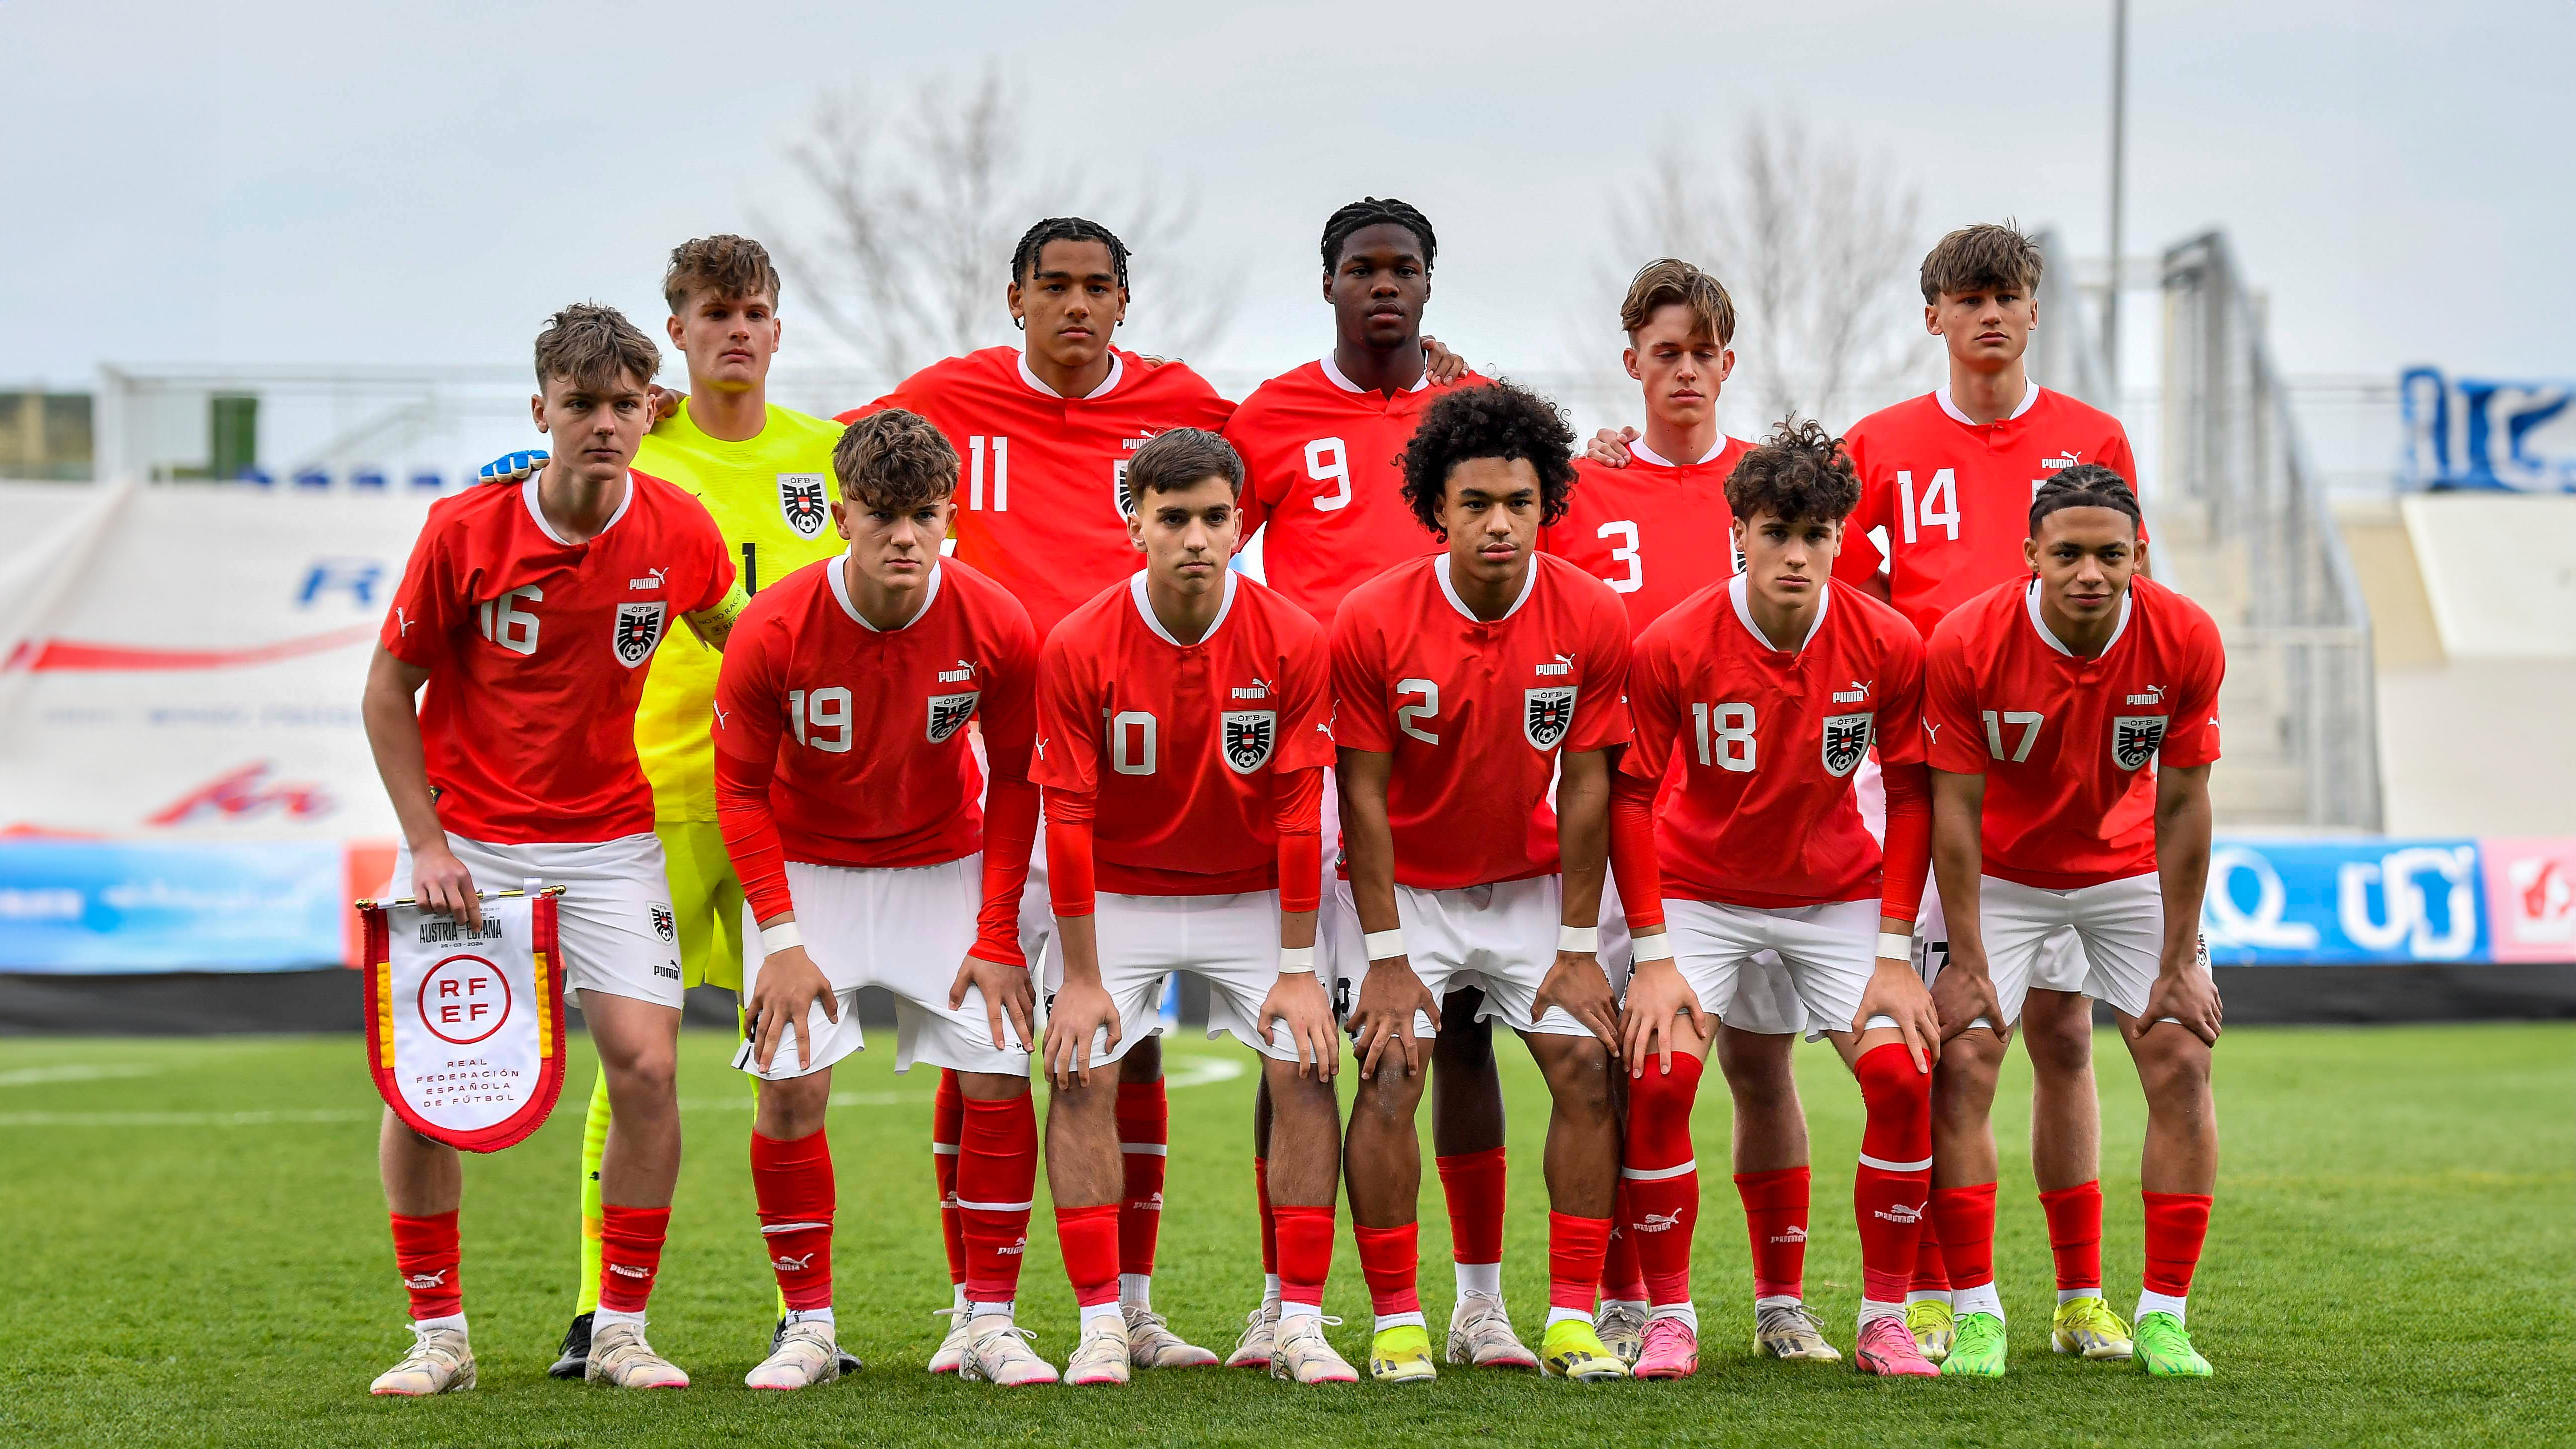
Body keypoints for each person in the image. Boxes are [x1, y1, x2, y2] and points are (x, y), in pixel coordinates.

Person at [858, 216, 1462, 1371]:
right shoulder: (947, 391)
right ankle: (976, 1307)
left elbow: (1301, 441)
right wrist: (690, 418)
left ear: (1126, 304)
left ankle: (1148, 1309)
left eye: (1099, 288)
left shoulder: (1192, 407)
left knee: (1194, 1058)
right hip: (1023, 749)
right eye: (1055, 287)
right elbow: (836, 469)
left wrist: (1453, 374)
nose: (1076, 306)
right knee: (1003, 1041)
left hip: (1200, 768)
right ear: (1015, 297)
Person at [468, 236, 851, 1380]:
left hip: (790, 801)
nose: (736, 330)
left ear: (779, 331)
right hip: (649, 800)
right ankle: (602, 1313)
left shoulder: (830, 458)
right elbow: (518, 480)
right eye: (712, 312)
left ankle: (806, 1319)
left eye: (755, 312)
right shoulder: (637, 431)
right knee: (634, 1066)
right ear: (675, 332)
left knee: (801, 1062)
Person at [362, 304, 741, 1394]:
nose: (605, 425)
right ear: (542, 411)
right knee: (420, 1088)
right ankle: (439, 1338)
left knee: (652, 1070)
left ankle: (620, 1328)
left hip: (611, 841)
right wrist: (425, 841)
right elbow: (389, 690)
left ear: (651, 410)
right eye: (580, 406)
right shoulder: (464, 529)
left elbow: (738, 632)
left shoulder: (679, 527)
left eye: (626, 405)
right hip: (468, 846)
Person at [1218, 197, 1530, 1372]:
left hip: (1455, 773)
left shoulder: (1475, 405)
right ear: (1331, 284)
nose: (1384, 285)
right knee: (1300, 1040)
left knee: (1465, 1041)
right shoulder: (1274, 415)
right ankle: (1278, 1294)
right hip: (1317, 767)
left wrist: (1588, 446)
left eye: (1404, 268)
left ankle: (1480, 1302)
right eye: (1363, 268)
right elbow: (1200, 543)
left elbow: (1555, 522)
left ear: (1432, 284)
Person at [1834, 222, 2149, 1364]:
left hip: (2067, 782)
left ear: (2033, 308)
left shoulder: (2092, 436)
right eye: (1967, 298)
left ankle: (2079, 1298)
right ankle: (1930, 1291)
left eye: (2009, 295)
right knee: (1948, 1043)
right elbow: (1845, 606)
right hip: (1934, 787)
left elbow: (2124, 582)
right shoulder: (1879, 447)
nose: (1991, 316)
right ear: (1933, 318)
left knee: (2067, 1037)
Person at [708, 409, 1052, 1388]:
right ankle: (806, 1328)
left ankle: (987, 1322)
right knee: (790, 1089)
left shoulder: (996, 619)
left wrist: (996, 931)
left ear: (952, 516)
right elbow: (737, 790)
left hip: (939, 869)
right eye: (883, 515)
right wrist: (778, 937)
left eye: (926, 516)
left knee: (995, 1072)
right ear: (843, 515)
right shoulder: (774, 625)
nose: (906, 536)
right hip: (808, 878)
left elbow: (1021, 777)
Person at [1541, 258, 1837, 1364]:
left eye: (1703, 353)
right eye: (1663, 353)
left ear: (1729, 364)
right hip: (1629, 816)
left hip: (1759, 822)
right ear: (1632, 365)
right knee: (1636, 1067)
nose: (1685, 371)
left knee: (1765, 1065)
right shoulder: (1582, 487)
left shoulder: (1767, 498)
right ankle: (1628, 1296)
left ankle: (1781, 1302)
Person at [1607, 418, 1945, 1380]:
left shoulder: (1885, 641)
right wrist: (1655, 951)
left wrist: (1892, 952)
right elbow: (1632, 796)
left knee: (1902, 1077)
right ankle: (1671, 1319)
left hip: (1834, 899)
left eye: (1816, 536)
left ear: (1842, 538)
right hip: (1700, 896)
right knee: (1663, 1078)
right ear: (1739, 537)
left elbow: (1912, 796)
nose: (1795, 554)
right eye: (1775, 533)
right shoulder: (1673, 642)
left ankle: (1880, 1316)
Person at [1031, 429, 1355, 1386]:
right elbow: (1070, 814)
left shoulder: (1293, 637)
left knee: (1306, 1066)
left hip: (1252, 891)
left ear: (1241, 523)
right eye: (1172, 519)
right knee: (1080, 1069)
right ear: (1133, 524)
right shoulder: (1079, 641)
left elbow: (1301, 812)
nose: (1196, 539)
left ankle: (1296, 1320)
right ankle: (1101, 1323)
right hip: (1120, 894)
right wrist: (1082, 978)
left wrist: (1300, 969)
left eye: (1215, 518)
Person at [1330, 382, 1635, 1384]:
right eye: (1476, 503)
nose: (1499, 522)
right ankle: (1401, 1321)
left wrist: (1582, 944)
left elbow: (1590, 786)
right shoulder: (1372, 618)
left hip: (1529, 886)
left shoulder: (1591, 612)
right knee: (1390, 1073)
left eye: (1520, 500)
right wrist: (1383, 958)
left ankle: (1572, 1318)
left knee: (1591, 1067)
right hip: (1405, 889)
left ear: (1549, 503)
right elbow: (1362, 800)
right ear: (1437, 509)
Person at [1919, 466, 2224, 1379]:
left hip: (2124, 867)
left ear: (2138, 556)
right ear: (2030, 557)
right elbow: (1954, 815)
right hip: (2001, 875)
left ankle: (2160, 1314)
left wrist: (2179, 962)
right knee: (1966, 1058)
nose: (2089, 573)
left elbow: (2183, 805)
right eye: (2068, 554)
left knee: (2178, 1056)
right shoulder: (1968, 639)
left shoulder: (2183, 636)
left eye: (2110, 555)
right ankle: (1976, 1312)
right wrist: (1966, 959)